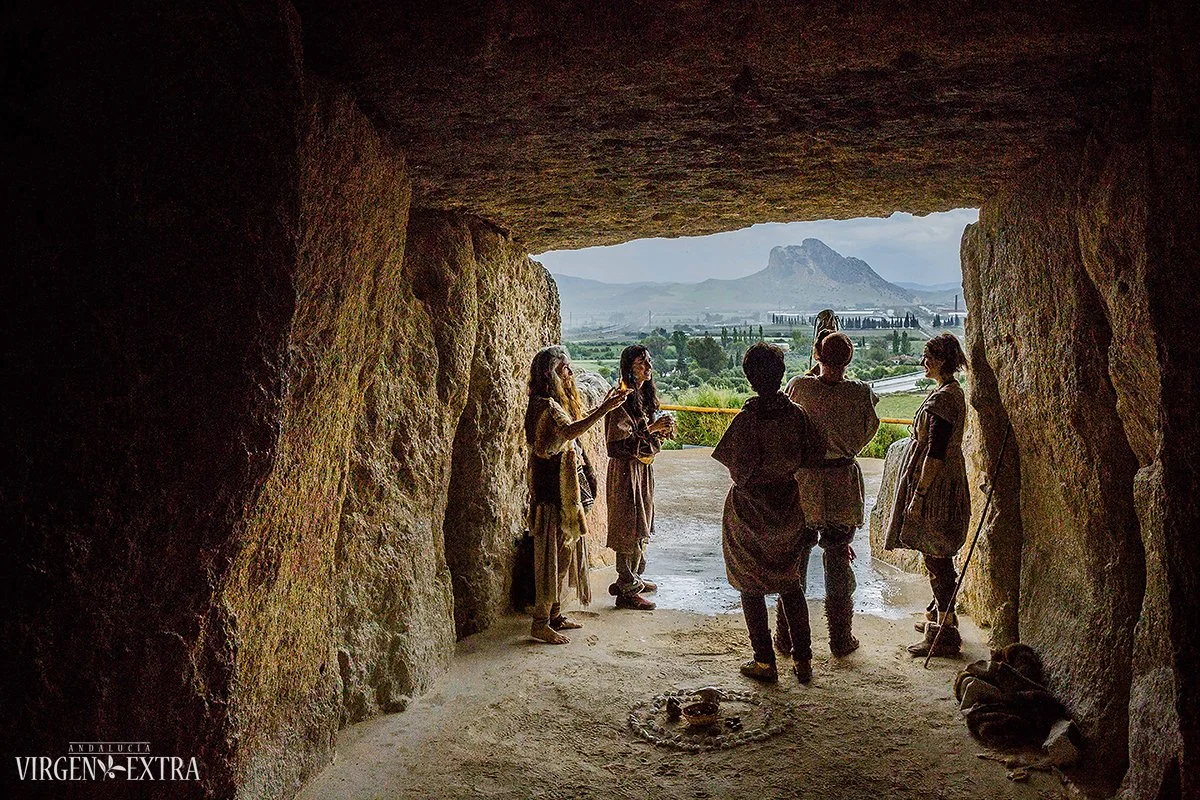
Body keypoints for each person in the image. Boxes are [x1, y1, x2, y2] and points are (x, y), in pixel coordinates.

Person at [713, 343, 821, 683]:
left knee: (751, 585)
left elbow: (738, 471)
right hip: (789, 506)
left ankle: (764, 661)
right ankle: (803, 661)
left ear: (749, 379)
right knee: (792, 585)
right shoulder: (798, 416)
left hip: (750, 511)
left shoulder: (746, 421)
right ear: (781, 374)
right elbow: (812, 456)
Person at [777, 332, 880, 658]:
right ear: (849, 360)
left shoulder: (800, 386)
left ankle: (786, 637)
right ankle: (840, 638)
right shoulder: (861, 393)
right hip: (841, 483)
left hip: (804, 483)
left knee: (796, 563)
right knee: (837, 560)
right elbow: (867, 433)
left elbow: (786, 421)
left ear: (817, 356)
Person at [525, 345, 629, 644]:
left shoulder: (546, 403)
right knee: (552, 559)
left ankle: (555, 614)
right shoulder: (544, 405)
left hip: (560, 489)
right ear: (551, 374)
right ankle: (540, 621)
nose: (570, 374)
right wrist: (604, 409)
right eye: (564, 369)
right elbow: (568, 433)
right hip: (553, 492)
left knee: (563, 554)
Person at [884, 332, 971, 657]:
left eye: (928, 357)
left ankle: (945, 634)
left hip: (936, 487)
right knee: (938, 555)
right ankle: (939, 615)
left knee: (937, 557)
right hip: (943, 481)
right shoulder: (949, 392)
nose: (923, 362)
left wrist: (919, 496)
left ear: (942, 361)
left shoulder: (944, 400)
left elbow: (935, 453)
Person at [605, 344, 674, 610]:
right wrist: (651, 430)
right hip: (625, 473)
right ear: (628, 368)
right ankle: (626, 587)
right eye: (641, 364)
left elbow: (644, 437)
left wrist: (661, 432)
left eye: (648, 362)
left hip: (642, 470)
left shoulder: (643, 396)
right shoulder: (620, 399)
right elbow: (616, 446)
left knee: (642, 524)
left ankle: (635, 577)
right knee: (628, 527)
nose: (648, 368)